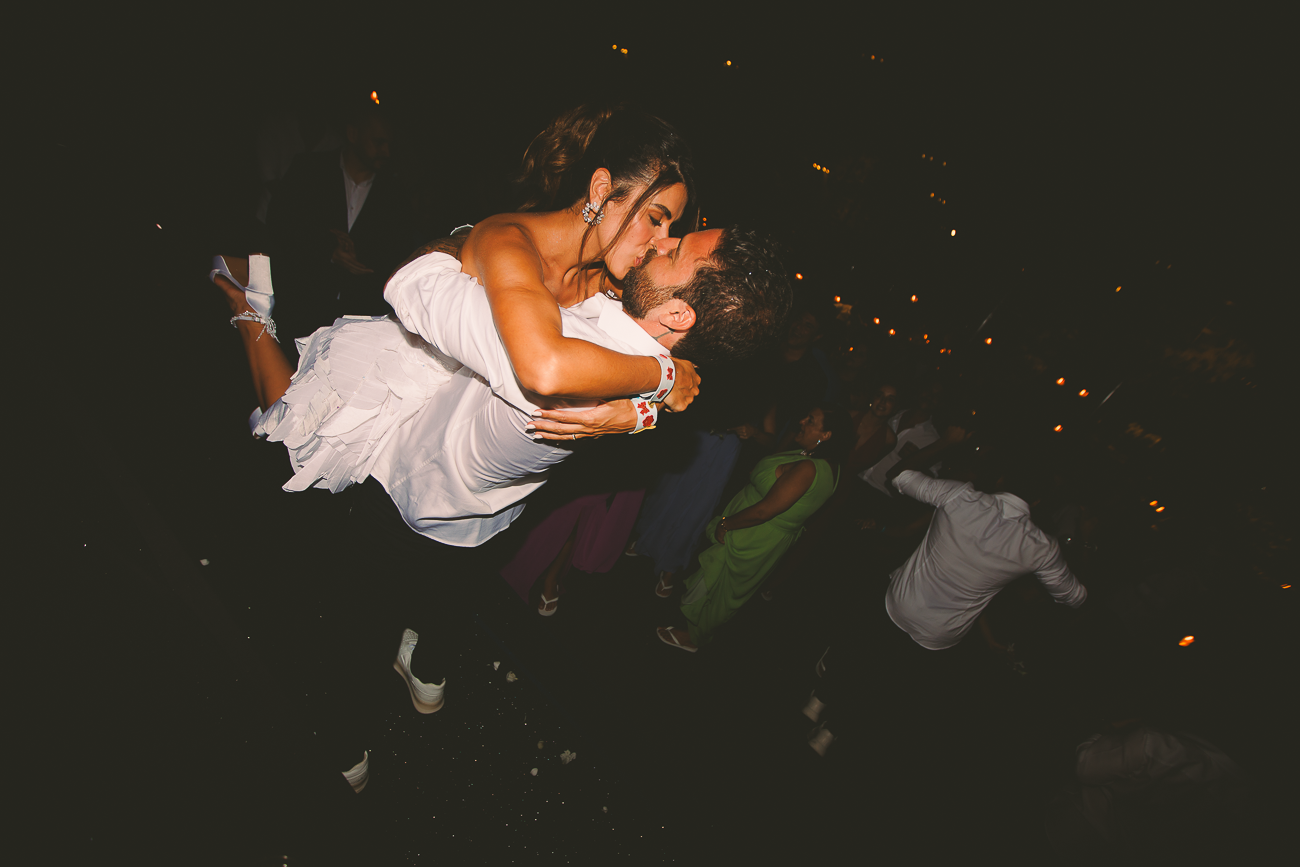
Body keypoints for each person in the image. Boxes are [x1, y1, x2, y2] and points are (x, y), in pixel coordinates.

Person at [656, 406, 850, 652]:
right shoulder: (827, 463)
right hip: (762, 533)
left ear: (827, 434)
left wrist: (727, 524)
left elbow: (764, 511)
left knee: (724, 590)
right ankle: (693, 626)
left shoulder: (808, 469)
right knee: (721, 585)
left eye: (810, 420)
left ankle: (694, 638)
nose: (801, 420)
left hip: (754, 533)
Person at [267, 99, 418, 348]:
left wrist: (360, 256)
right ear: (353, 134)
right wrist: (327, 249)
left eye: (389, 144)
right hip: (298, 309)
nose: (386, 152)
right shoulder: (309, 170)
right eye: (378, 142)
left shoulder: (394, 194)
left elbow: (398, 253)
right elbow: (281, 224)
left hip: (355, 326)